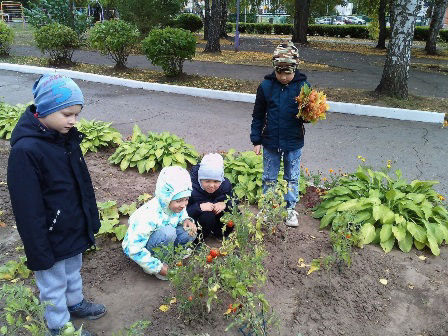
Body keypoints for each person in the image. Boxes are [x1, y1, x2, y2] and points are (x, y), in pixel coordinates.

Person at [7, 73, 106, 336]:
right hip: (49, 235)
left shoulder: (66, 138)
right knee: (53, 281)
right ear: (45, 110)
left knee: (73, 269)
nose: (73, 120)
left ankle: (74, 303)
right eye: (66, 114)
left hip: (72, 223)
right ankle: (59, 325)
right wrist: (38, 248)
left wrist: (89, 218)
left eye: (76, 114)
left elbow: (82, 183)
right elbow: (27, 208)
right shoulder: (26, 151)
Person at [250, 42, 310, 227]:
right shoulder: (266, 86)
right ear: (274, 69)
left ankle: (290, 208)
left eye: (288, 73)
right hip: (270, 141)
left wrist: (310, 113)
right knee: (269, 176)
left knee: (292, 176)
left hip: (293, 141)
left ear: (296, 68)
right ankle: (267, 207)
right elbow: (258, 114)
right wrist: (256, 139)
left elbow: (306, 116)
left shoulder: (303, 86)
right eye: (280, 73)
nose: (284, 77)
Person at [122, 165, 197, 280]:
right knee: (168, 232)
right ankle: (159, 263)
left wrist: (186, 220)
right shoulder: (148, 216)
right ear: (166, 197)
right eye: (179, 200)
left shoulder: (175, 206)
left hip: (165, 240)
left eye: (186, 199)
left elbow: (180, 215)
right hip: (148, 247)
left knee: (189, 231)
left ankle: (173, 256)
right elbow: (131, 248)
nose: (183, 204)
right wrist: (157, 267)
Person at [187, 153, 234, 239]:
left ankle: (220, 234)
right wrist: (198, 207)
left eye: (216, 181)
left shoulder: (225, 185)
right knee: (207, 217)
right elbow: (183, 211)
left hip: (217, 216)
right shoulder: (190, 187)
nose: (212, 185)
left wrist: (225, 204)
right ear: (200, 179)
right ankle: (198, 239)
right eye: (207, 181)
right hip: (198, 219)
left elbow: (235, 200)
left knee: (232, 213)